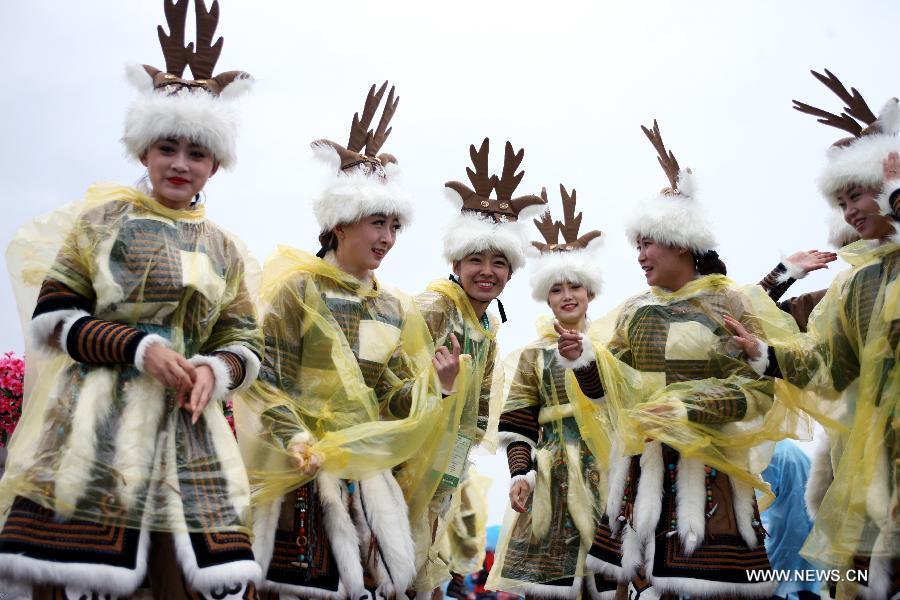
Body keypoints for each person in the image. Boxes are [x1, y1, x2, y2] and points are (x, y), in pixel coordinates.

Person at [0, 2, 263, 598]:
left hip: (188, 430)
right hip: (90, 426)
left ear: (214, 166)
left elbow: (247, 342)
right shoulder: (101, 222)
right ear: (143, 152)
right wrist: (138, 348)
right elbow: (54, 318)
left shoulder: (224, 248)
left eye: (196, 153)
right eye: (167, 147)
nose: (180, 163)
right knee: (66, 579)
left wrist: (214, 370)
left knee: (179, 581)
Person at [556, 120, 803, 598]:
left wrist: (688, 409)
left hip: (711, 479)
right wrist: (585, 360)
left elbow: (757, 390)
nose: (641, 255)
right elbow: (606, 390)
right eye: (638, 245)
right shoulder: (635, 313)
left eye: (647, 243)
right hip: (641, 476)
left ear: (681, 243)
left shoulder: (730, 303)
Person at [237, 82, 450, 599]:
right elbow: (266, 381)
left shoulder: (394, 308)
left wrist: (436, 386)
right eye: (378, 222)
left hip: (369, 480)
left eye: (394, 225)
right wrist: (298, 440)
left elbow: (391, 399)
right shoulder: (297, 290)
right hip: (296, 472)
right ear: (338, 223)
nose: (388, 238)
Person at [726, 69, 900, 600]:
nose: (849, 211)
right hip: (867, 457)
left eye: (860, 195)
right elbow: (827, 362)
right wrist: (764, 355)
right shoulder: (855, 284)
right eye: (842, 201)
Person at [407, 138, 546, 595]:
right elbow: (395, 382)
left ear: (511, 271)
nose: (487, 271)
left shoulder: (484, 322)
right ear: (456, 262)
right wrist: (436, 388)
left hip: (443, 466)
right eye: (476, 260)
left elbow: (479, 407)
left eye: (499, 262)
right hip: (406, 456)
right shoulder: (433, 308)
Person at [487, 184, 616, 599]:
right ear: (547, 297)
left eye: (574, 287)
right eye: (556, 290)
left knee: (611, 584)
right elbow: (518, 422)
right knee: (548, 589)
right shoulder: (533, 356)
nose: (566, 296)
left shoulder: (612, 347)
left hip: (608, 475)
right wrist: (520, 473)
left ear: (590, 292)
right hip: (549, 483)